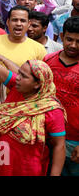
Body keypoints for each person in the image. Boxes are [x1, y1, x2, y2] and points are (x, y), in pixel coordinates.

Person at [0, 15, 67, 176]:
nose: (17, 77)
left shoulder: (52, 109)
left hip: (27, 168)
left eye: (24, 76)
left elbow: (59, 146)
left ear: (37, 83)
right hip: (0, 163)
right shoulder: (17, 88)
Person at [44, 16, 79, 176]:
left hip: (75, 142)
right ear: (62, 36)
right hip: (48, 137)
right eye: (69, 39)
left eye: (78, 41)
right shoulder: (48, 61)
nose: (73, 45)